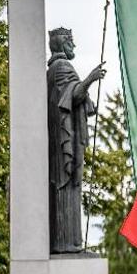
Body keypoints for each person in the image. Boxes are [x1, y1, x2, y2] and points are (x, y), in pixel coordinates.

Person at [46, 26, 106, 253]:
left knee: (70, 189)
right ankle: (67, 245)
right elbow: (73, 97)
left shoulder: (54, 69)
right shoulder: (61, 67)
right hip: (64, 145)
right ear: (63, 43)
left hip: (60, 143)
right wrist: (91, 78)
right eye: (71, 41)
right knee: (68, 187)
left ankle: (71, 243)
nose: (74, 45)